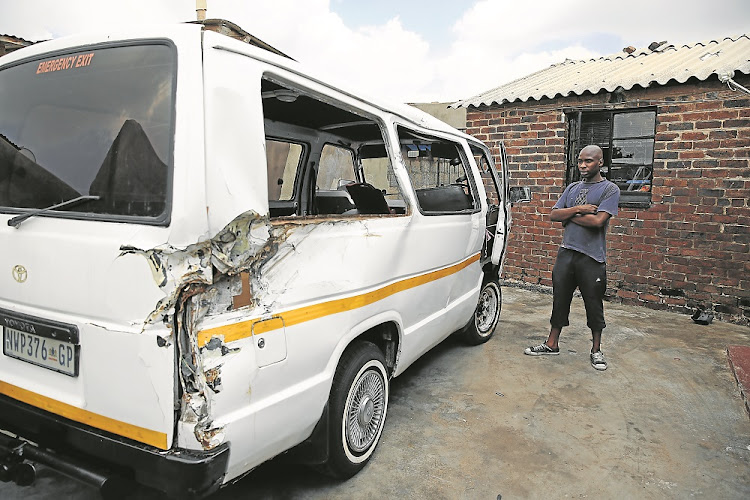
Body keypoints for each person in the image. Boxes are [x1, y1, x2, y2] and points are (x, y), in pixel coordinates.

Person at [524, 145, 619, 370]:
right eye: (580, 161)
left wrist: (568, 215)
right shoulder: (573, 188)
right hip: (567, 252)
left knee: (593, 304)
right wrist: (579, 210)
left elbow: (597, 222)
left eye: (588, 161)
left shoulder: (610, 189)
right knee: (560, 299)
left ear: (600, 163)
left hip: (592, 257)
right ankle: (551, 343)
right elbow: (553, 214)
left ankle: (596, 350)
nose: (583, 166)